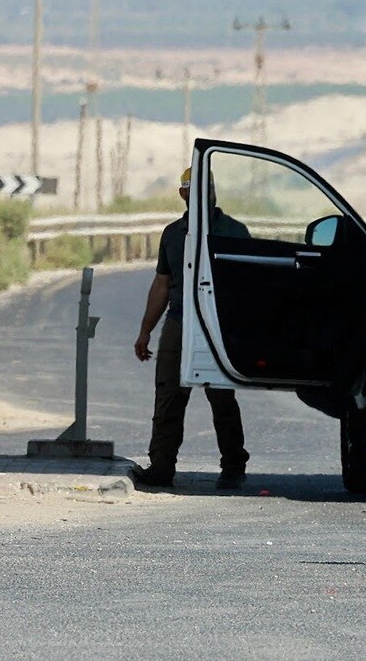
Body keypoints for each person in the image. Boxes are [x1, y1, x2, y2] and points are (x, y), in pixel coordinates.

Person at [133, 168, 250, 490]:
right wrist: (146, 331)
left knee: (222, 397)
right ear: (183, 194)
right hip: (179, 321)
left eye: (207, 187)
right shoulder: (172, 234)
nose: (201, 193)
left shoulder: (234, 231)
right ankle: (161, 468)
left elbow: (250, 285)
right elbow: (161, 283)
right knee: (169, 397)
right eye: (193, 188)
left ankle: (233, 467)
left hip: (217, 324)